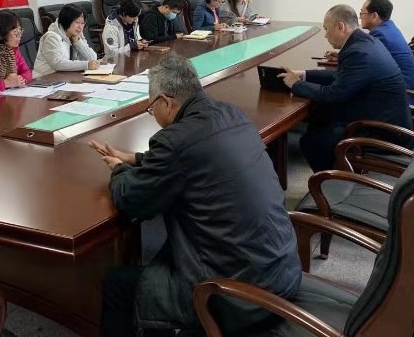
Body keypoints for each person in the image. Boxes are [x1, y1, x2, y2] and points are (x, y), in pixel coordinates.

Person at [90, 55, 301, 336]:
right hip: (281, 269)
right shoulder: (232, 114)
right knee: (164, 257)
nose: (153, 114)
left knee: (118, 284)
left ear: (165, 102)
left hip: (236, 295)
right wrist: (136, 159)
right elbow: (195, 157)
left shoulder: (175, 140)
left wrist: (119, 169)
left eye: (151, 108)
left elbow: (131, 201)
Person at [279, 4, 413, 172]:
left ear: (340, 27)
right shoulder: (363, 42)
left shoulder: (359, 52)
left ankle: (333, 181)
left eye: (326, 29)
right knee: (320, 118)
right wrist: (304, 74)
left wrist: (296, 84)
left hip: (384, 133)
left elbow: (334, 94)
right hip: (380, 117)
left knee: (312, 142)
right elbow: (341, 76)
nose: (325, 35)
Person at [359, 0, 414, 105]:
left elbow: (364, 66)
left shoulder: (380, 35)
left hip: (405, 97)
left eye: (362, 13)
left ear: (374, 16)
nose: (360, 17)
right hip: (409, 91)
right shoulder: (388, 27)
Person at [34, 3, 100, 77]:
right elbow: (57, 63)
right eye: (77, 22)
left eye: (82, 23)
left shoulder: (76, 35)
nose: (80, 27)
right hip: (44, 79)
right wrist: (86, 65)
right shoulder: (51, 37)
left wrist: (78, 42)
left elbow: (92, 58)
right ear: (67, 21)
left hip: (64, 77)